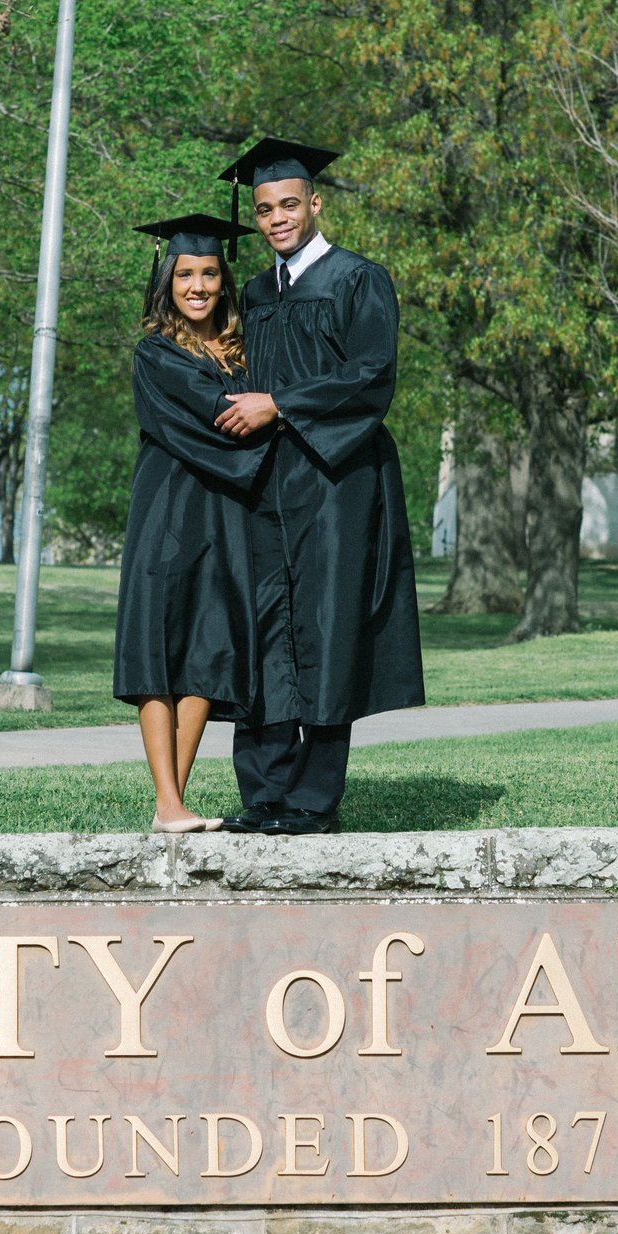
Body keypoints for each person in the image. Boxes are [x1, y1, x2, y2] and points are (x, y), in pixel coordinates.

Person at [212, 139, 426, 835]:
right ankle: (264, 792)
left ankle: (312, 800)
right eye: (265, 209)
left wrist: (279, 404)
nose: (277, 218)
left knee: (328, 628)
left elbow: (371, 377)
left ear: (315, 203)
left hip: (337, 481)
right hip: (266, 486)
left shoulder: (359, 279)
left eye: (289, 205)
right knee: (265, 628)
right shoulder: (253, 294)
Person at [113, 213, 268, 833]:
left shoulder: (243, 350)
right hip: (169, 510)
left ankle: (172, 804)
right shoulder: (155, 351)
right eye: (185, 274)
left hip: (224, 515)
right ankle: (167, 801)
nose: (198, 285)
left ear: (224, 281)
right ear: (167, 282)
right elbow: (211, 419)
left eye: (209, 273)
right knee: (158, 645)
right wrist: (261, 419)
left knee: (210, 646)